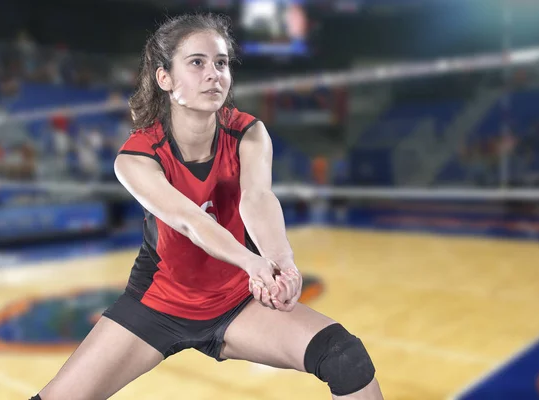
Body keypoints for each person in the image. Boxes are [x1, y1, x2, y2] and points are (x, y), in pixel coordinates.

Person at [33, 13, 383, 400]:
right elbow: (187, 220)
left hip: (234, 302)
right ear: (164, 78)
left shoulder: (248, 132)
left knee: (346, 360)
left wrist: (282, 260)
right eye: (197, 62)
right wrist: (252, 263)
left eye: (221, 63)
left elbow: (257, 198)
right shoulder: (137, 156)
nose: (213, 73)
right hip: (157, 304)